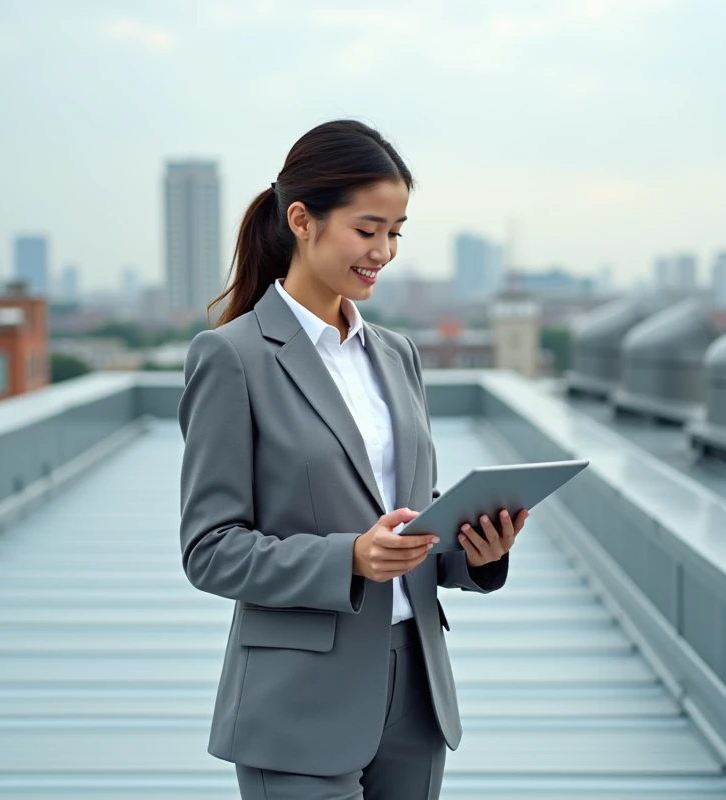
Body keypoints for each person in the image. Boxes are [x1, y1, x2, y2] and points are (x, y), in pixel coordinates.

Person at [176, 119, 529, 800]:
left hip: (415, 690)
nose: (385, 251)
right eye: (368, 230)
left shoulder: (397, 354)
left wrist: (476, 553)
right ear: (302, 220)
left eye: (396, 232)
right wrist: (349, 558)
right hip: (299, 700)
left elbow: (412, 525)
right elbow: (210, 550)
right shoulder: (232, 358)